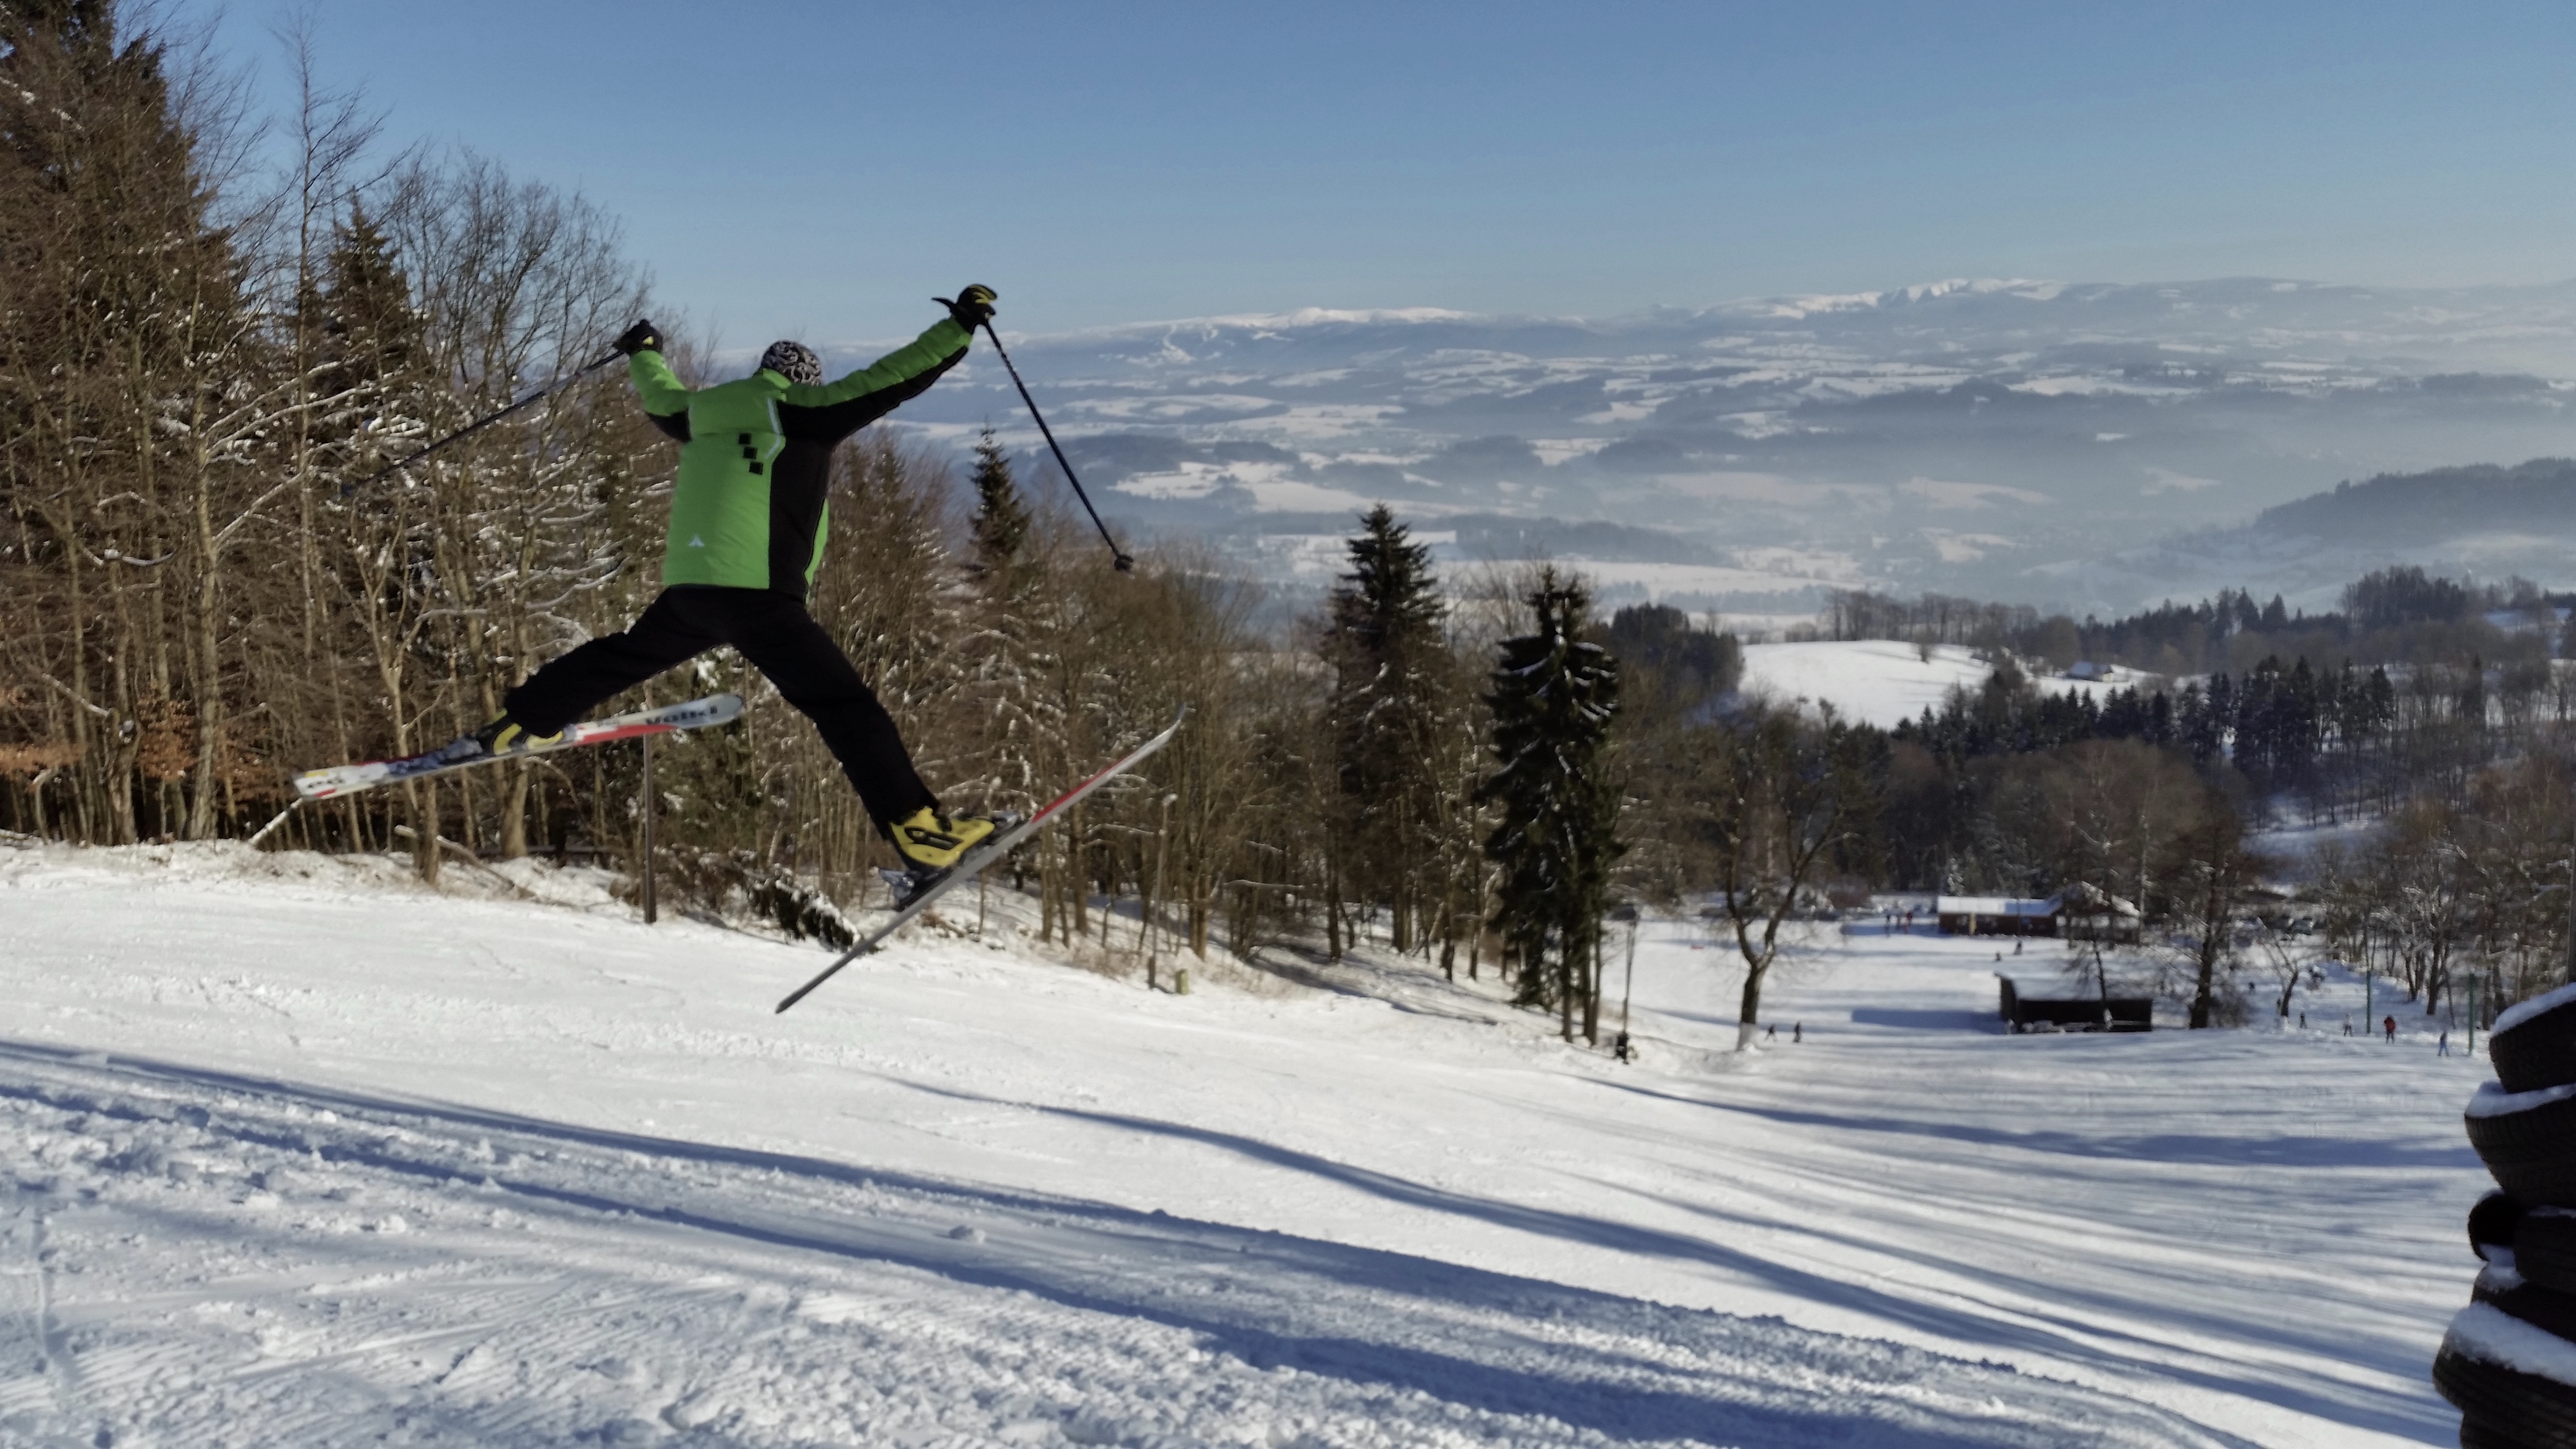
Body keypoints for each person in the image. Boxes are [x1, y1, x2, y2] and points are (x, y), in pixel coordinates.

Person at [441, 286, 1004, 884]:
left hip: (690, 592)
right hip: (760, 595)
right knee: (844, 709)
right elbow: (893, 376)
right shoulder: (804, 413)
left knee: (621, 656)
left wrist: (644, 351)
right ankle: (920, 832)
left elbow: (659, 392)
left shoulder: (697, 415)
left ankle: (520, 721)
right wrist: (960, 327)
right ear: (802, 383)